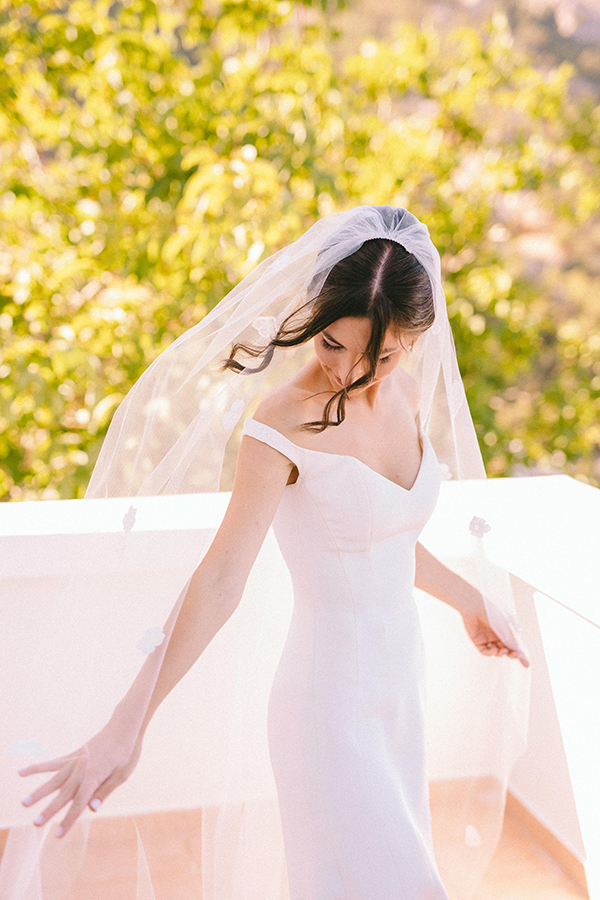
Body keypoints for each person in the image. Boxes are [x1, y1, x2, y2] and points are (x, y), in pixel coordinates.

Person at [11, 207, 529, 900]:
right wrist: (126, 725)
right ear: (314, 319)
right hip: (328, 707)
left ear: (415, 341)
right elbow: (221, 579)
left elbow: (385, 540)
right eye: (333, 345)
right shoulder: (282, 424)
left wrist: (472, 600)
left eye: (382, 354)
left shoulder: (404, 393)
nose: (351, 371)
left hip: (400, 686)